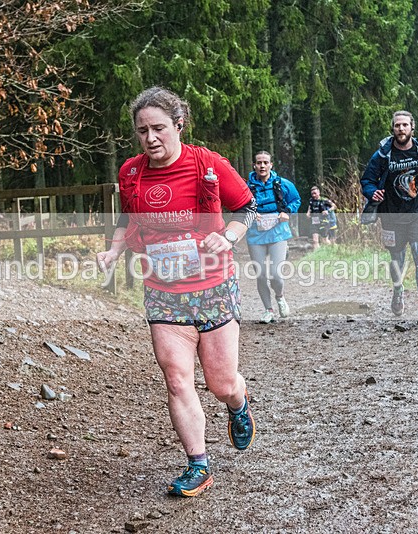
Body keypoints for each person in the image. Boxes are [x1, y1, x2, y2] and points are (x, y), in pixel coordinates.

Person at [96, 86, 258, 498]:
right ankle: (198, 465)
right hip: (163, 292)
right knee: (177, 380)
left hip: (214, 287)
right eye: (142, 130)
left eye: (159, 128)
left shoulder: (207, 163)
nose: (150, 138)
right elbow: (127, 216)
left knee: (220, 383)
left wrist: (230, 237)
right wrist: (114, 250)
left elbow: (246, 207)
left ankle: (238, 404)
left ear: (178, 126)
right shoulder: (131, 172)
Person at [360, 110, 418, 326]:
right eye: (397, 125)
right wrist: (372, 192)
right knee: (397, 260)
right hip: (391, 216)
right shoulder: (382, 154)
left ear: (412, 127)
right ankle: (398, 289)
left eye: (405, 125)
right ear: (393, 128)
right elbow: (367, 180)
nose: (401, 129)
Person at [245, 151, 301, 323]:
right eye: (259, 163)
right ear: (254, 165)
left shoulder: (282, 183)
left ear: (271, 165)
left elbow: (296, 199)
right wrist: (251, 215)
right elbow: (239, 205)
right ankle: (268, 310)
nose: (262, 166)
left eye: (265, 162)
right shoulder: (246, 187)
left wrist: (287, 212)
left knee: (276, 274)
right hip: (256, 234)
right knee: (261, 274)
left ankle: (280, 296)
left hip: (278, 232)